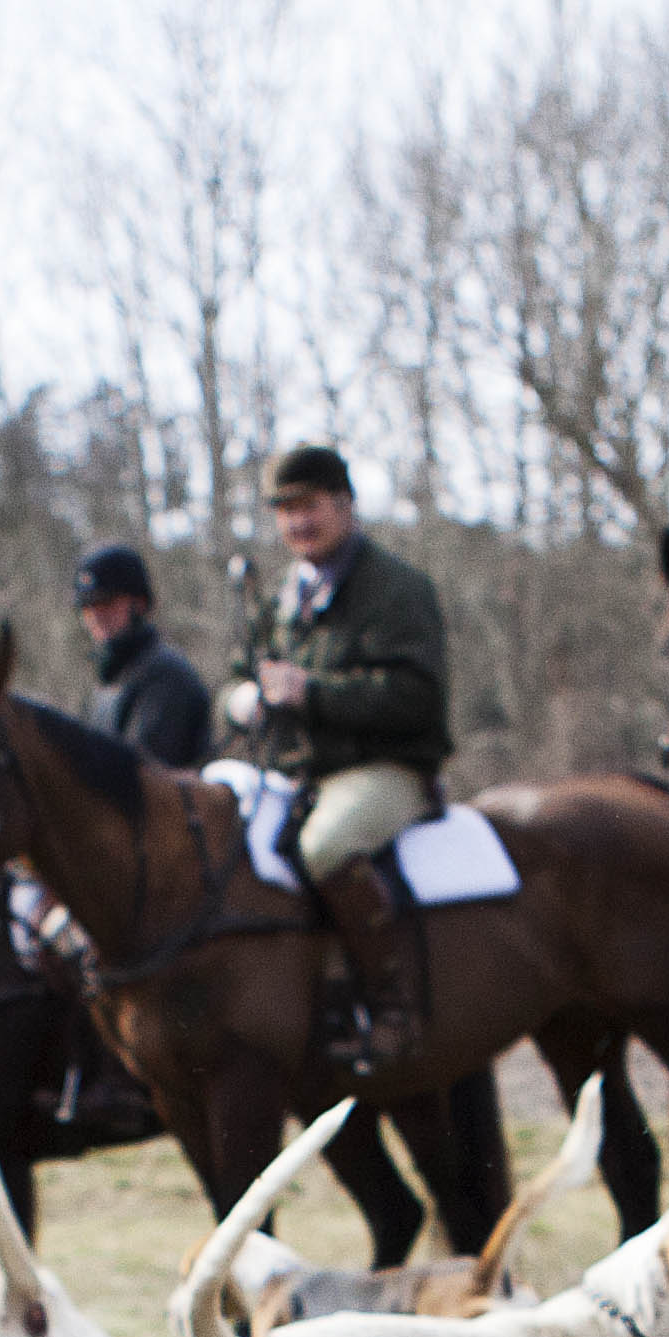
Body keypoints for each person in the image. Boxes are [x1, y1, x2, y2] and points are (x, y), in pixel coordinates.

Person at [222, 443, 450, 1080]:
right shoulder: (281, 602)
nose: (298, 523)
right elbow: (237, 680)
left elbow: (417, 698)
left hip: (387, 768)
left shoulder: (397, 589)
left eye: (310, 506)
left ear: (345, 505)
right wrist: (243, 701)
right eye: (285, 511)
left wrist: (312, 694)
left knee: (324, 847)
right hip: (301, 775)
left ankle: (395, 1008)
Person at [73, 540, 212, 768]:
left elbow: (142, 776)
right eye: (87, 607)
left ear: (138, 604)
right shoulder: (109, 678)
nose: (96, 615)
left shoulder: (165, 675)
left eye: (106, 602)